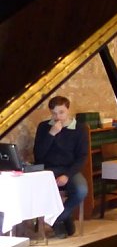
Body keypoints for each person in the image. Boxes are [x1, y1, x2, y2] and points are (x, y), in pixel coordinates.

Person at [33, 96, 88, 238]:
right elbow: (38, 155)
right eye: (54, 113)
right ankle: (64, 220)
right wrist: (51, 134)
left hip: (69, 169)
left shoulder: (79, 129)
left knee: (81, 190)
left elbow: (82, 157)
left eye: (62, 112)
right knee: (42, 190)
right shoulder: (44, 127)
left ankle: (57, 219)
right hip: (48, 169)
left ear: (68, 109)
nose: (58, 117)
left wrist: (67, 175)